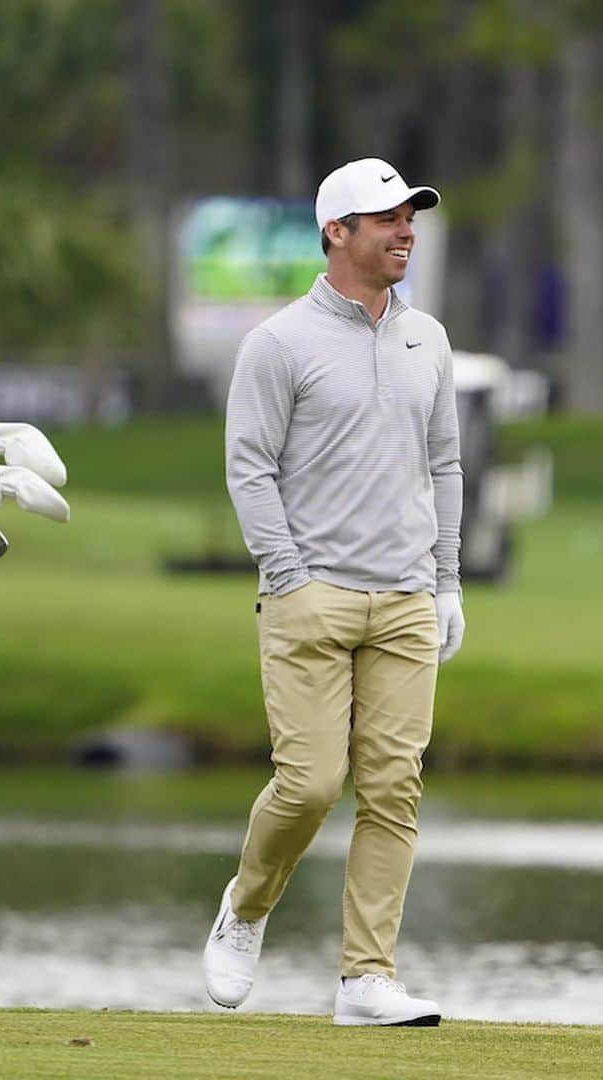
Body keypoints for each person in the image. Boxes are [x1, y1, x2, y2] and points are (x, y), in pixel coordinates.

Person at [202, 158, 465, 1027]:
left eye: (410, 217)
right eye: (386, 219)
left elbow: (444, 462)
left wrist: (447, 582)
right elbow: (250, 466)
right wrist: (288, 575)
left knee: (393, 788)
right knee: (311, 784)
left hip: (406, 599)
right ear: (336, 234)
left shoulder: (429, 336)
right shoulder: (278, 342)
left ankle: (367, 978)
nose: (406, 232)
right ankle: (244, 908)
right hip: (310, 594)